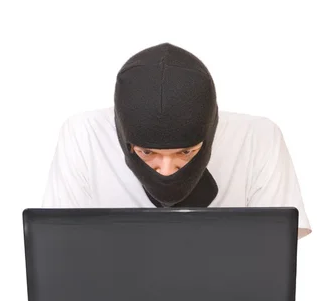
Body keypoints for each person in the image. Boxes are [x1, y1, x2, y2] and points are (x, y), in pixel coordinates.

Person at [42, 42, 312, 239]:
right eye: (147, 152)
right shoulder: (84, 135)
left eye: (186, 152)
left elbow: (275, 256)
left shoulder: (257, 139)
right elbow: (57, 248)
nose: (168, 171)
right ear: (124, 138)